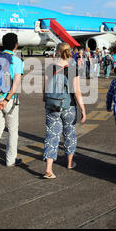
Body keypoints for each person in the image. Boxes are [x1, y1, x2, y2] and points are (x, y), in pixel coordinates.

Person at [42, 42, 86, 179]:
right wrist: (83, 110)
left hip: (52, 106)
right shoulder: (73, 69)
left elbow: (45, 90)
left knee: (52, 136)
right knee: (70, 134)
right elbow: (77, 91)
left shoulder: (50, 67)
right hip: (69, 106)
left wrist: (47, 100)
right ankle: (69, 162)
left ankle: (49, 169)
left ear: (57, 52)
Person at [0, 33, 24, 166]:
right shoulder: (16, 60)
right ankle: (10, 160)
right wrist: (7, 100)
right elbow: (16, 82)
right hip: (10, 100)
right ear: (15, 45)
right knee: (13, 130)